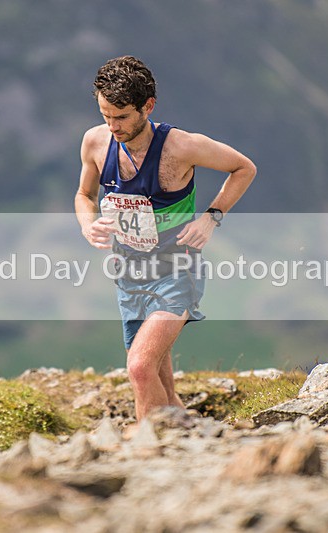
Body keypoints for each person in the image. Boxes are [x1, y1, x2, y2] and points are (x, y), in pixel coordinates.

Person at [75, 56, 256, 420]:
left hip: (177, 268)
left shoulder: (181, 146)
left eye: (122, 116)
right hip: (128, 273)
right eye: (106, 115)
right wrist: (87, 224)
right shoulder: (95, 141)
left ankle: (149, 447)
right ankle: (186, 433)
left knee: (140, 367)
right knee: (157, 373)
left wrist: (211, 217)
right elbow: (83, 195)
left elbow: (244, 168)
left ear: (148, 106)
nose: (113, 126)